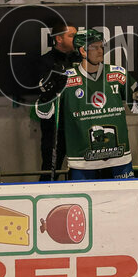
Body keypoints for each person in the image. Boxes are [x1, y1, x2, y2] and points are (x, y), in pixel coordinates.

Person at [35, 28, 138, 180]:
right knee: (84, 203)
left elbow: (137, 108)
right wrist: (47, 96)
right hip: (82, 161)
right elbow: (44, 113)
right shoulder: (65, 78)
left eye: (101, 47)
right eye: (95, 47)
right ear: (83, 51)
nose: (100, 51)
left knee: (123, 202)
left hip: (119, 158)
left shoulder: (118, 74)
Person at [32, 21, 78, 181]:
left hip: (79, 124)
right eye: (71, 36)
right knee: (50, 171)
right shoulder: (45, 61)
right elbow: (41, 92)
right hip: (54, 127)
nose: (76, 39)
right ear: (59, 39)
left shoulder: (81, 59)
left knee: (80, 171)